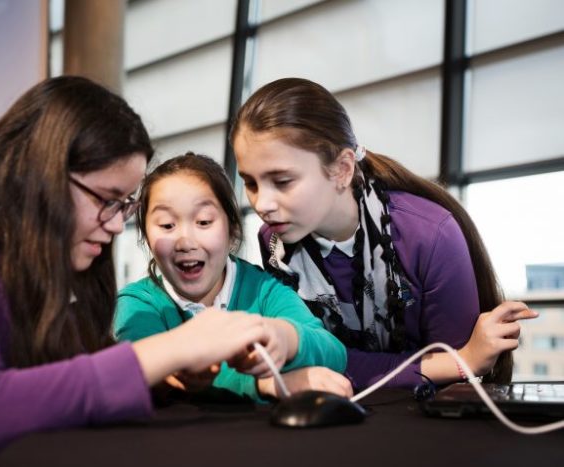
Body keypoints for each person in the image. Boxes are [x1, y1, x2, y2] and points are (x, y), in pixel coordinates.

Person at [0, 77, 277, 467]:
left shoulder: (65, 271)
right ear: (40, 177)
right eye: (107, 199)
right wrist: (165, 351)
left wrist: (169, 379)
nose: (118, 224)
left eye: (124, 204)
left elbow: (64, 389)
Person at [230, 77, 537, 390]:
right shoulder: (274, 242)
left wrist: (459, 363)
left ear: (342, 169)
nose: (261, 205)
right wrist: (454, 363)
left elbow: (458, 377)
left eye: (282, 181)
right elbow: (313, 359)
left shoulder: (430, 235)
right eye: (251, 183)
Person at [115, 153, 351, 401]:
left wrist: (286, 338)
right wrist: (264, 383)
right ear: (146, 237)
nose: (185, 241)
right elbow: (143, 374)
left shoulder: (264, 289)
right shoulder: (137, 304)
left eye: (204, 221)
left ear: (232, 230)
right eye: (166, 225)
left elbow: (334, 352)